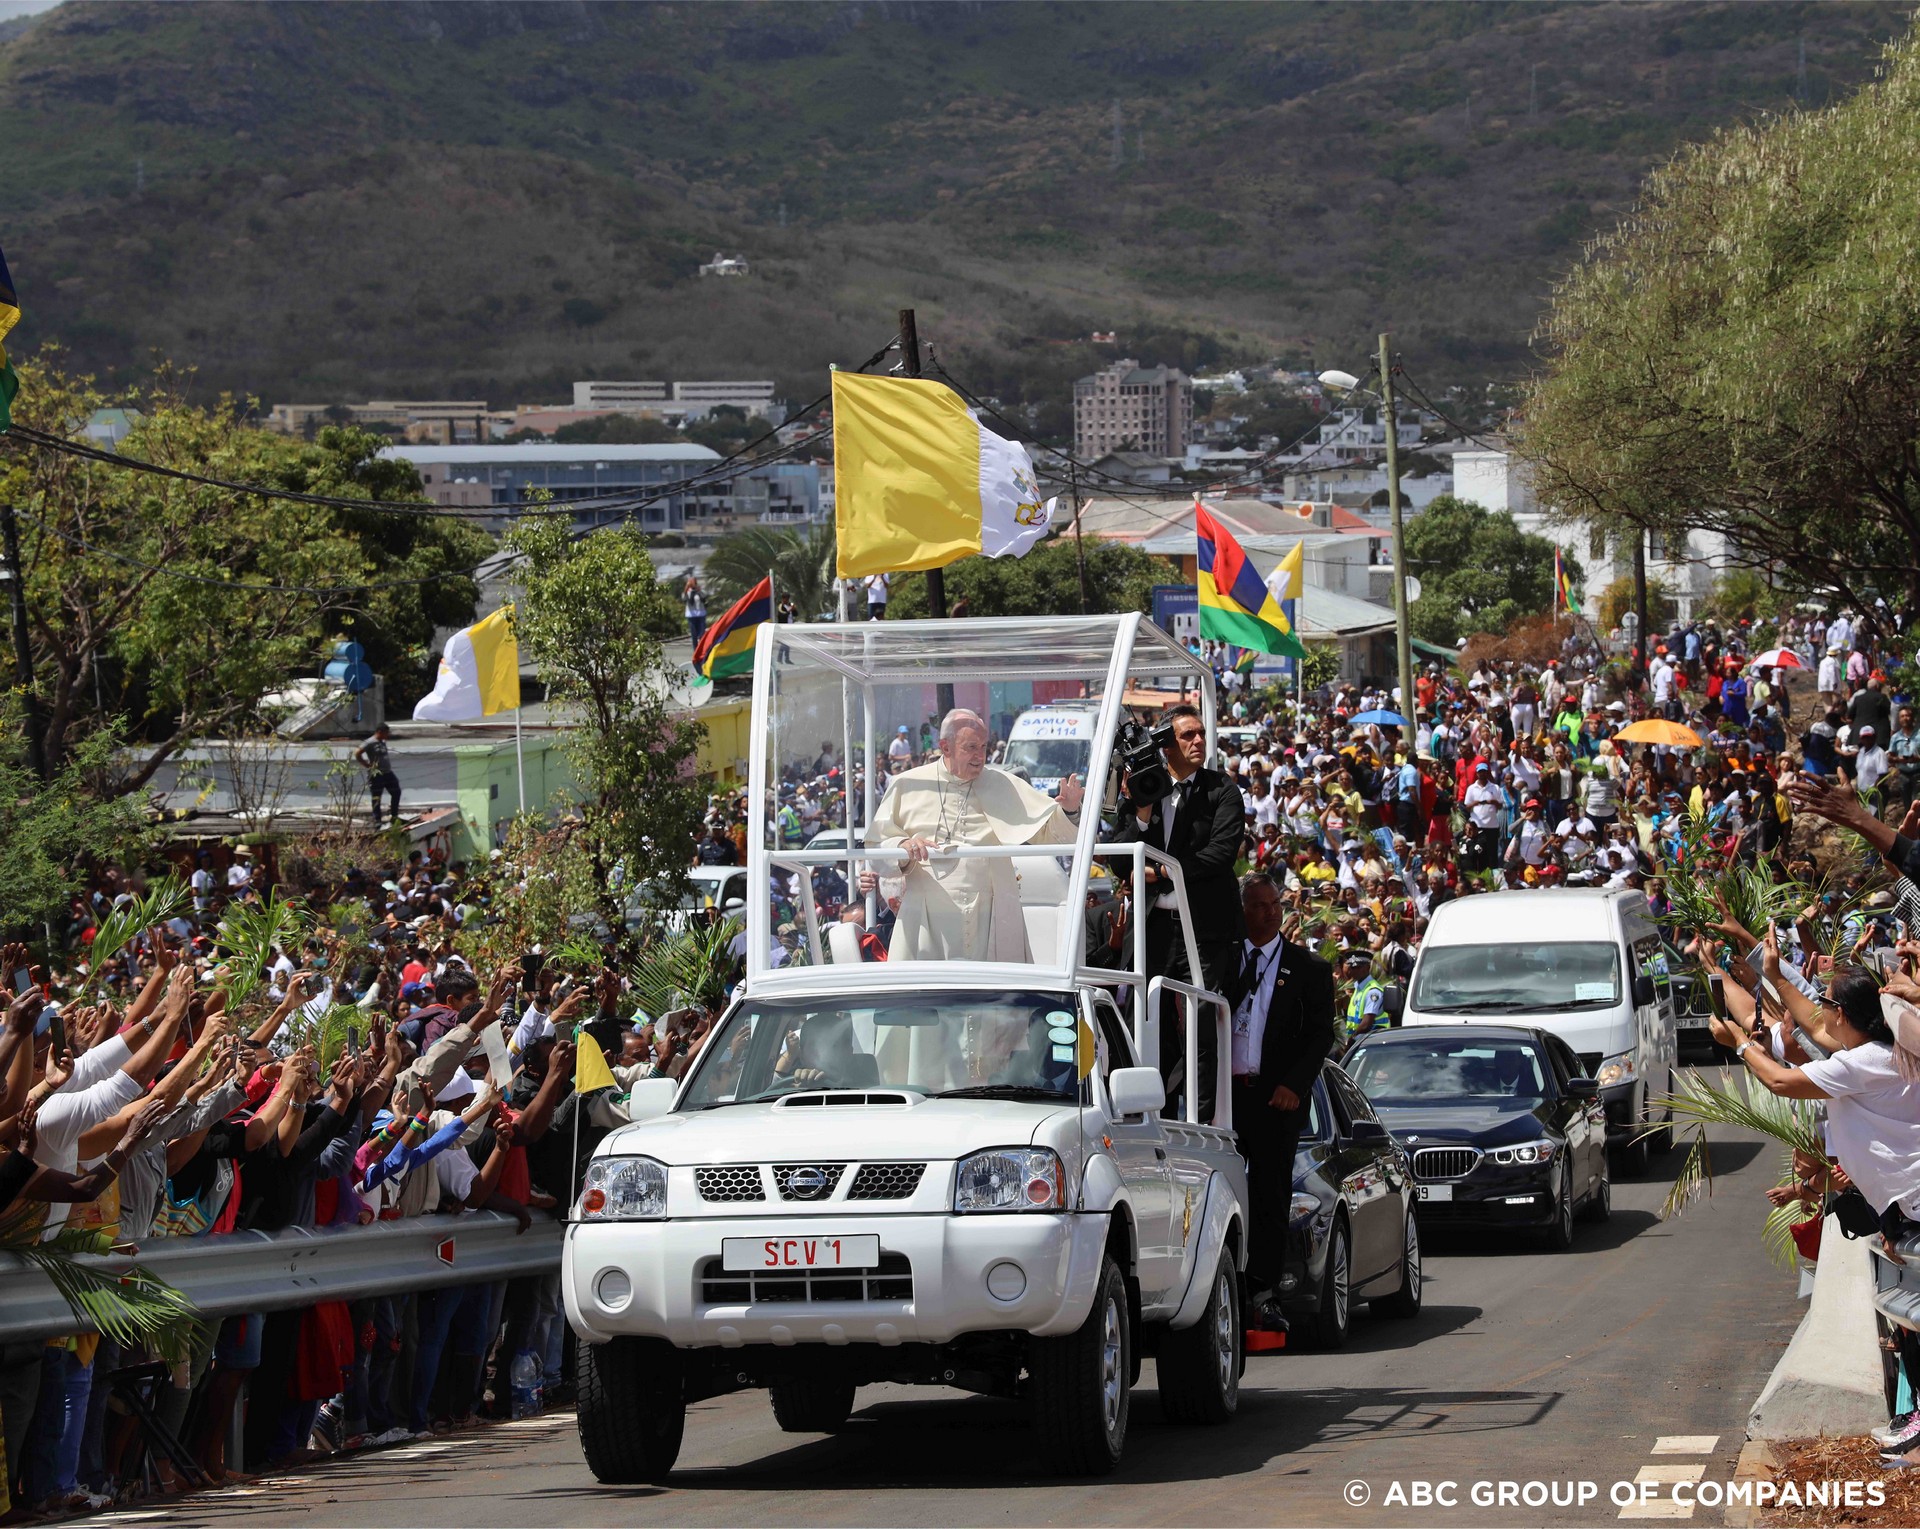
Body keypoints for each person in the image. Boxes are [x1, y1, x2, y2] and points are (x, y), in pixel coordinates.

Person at [1109, 703, 1247, 1120]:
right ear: (1166, 744)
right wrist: (1145, 813)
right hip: (1154, 929)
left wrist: (1158, 872)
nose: (1199, 741)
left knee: (1202, 1028)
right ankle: (1152, 1117)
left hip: (1204, 931)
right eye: (1188, 735)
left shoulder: (1221, 790)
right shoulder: (1141, 789)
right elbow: (1118, 858)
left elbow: (1219, 856)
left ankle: (1202, 1121)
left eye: (1201, 734)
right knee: (1146, 1023)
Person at [866, 708, 1082, 962]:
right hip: (926, 920)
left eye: (983, 746)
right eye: (971, 747)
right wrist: (903, 846)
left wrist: (1069, 811)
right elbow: (877, 849)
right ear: (945, 747)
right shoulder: (907, 784)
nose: (980, 756)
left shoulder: (1003, 784)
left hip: (990, 915)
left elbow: (1051, 834)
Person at [1227, 872, 1337, 1334]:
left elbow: (1320, 1036)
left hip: (1276, 1100)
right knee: (1224, 1195)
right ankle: (1225, 1287)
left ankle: (1264, 1292)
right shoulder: (1221, 961)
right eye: (1258, 904)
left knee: (1270, 1197)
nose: (1269, 912)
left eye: (1275, 904)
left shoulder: (1308, 969)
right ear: (1242, 909)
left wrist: (1295, 1083)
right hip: (1225, 1102)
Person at [357, 724, 402, 828]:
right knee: (377, 797)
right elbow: (357, 753)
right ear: (380, 732)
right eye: (386, 733)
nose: (387, 735)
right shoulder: (370, 742)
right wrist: (367, 765)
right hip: (377, 774)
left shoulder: (383, 742)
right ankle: (377, 819)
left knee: (396, 792)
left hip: (387, 772)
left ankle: (394, 816)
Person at [681, 575, 706, 645]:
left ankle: (702, 650)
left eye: (693, 581)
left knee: (702, 634)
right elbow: (683, 598)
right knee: (694, 635)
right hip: (691, 615)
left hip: (701, 614)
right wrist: (686, 588)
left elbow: (704, 596)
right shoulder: (688, 592)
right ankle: (696, 651)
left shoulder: (699, 590)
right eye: (690, 582)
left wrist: (698, 589)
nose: (692, 583)